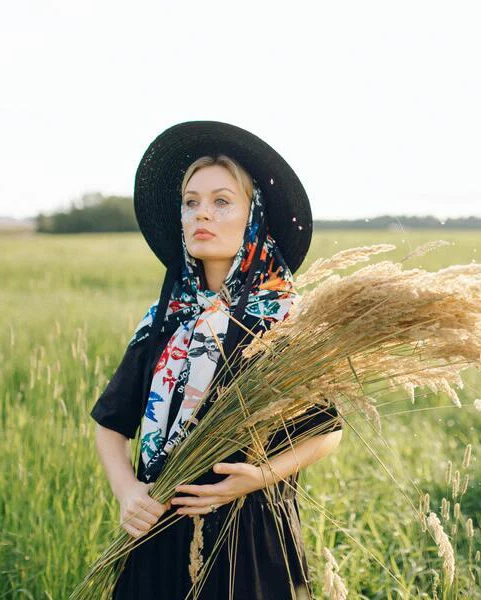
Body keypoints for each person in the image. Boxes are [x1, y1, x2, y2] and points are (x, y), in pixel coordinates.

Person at [90, 121, 344, 599]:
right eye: (191, 202)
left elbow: (328, 431)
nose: (201, 213)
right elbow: (110, 425)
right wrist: (128, 493)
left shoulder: (282, 318)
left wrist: (258, 477)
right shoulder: (165, 318)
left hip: (248, 534)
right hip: (158, 533)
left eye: (222, 201)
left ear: (254, 216)